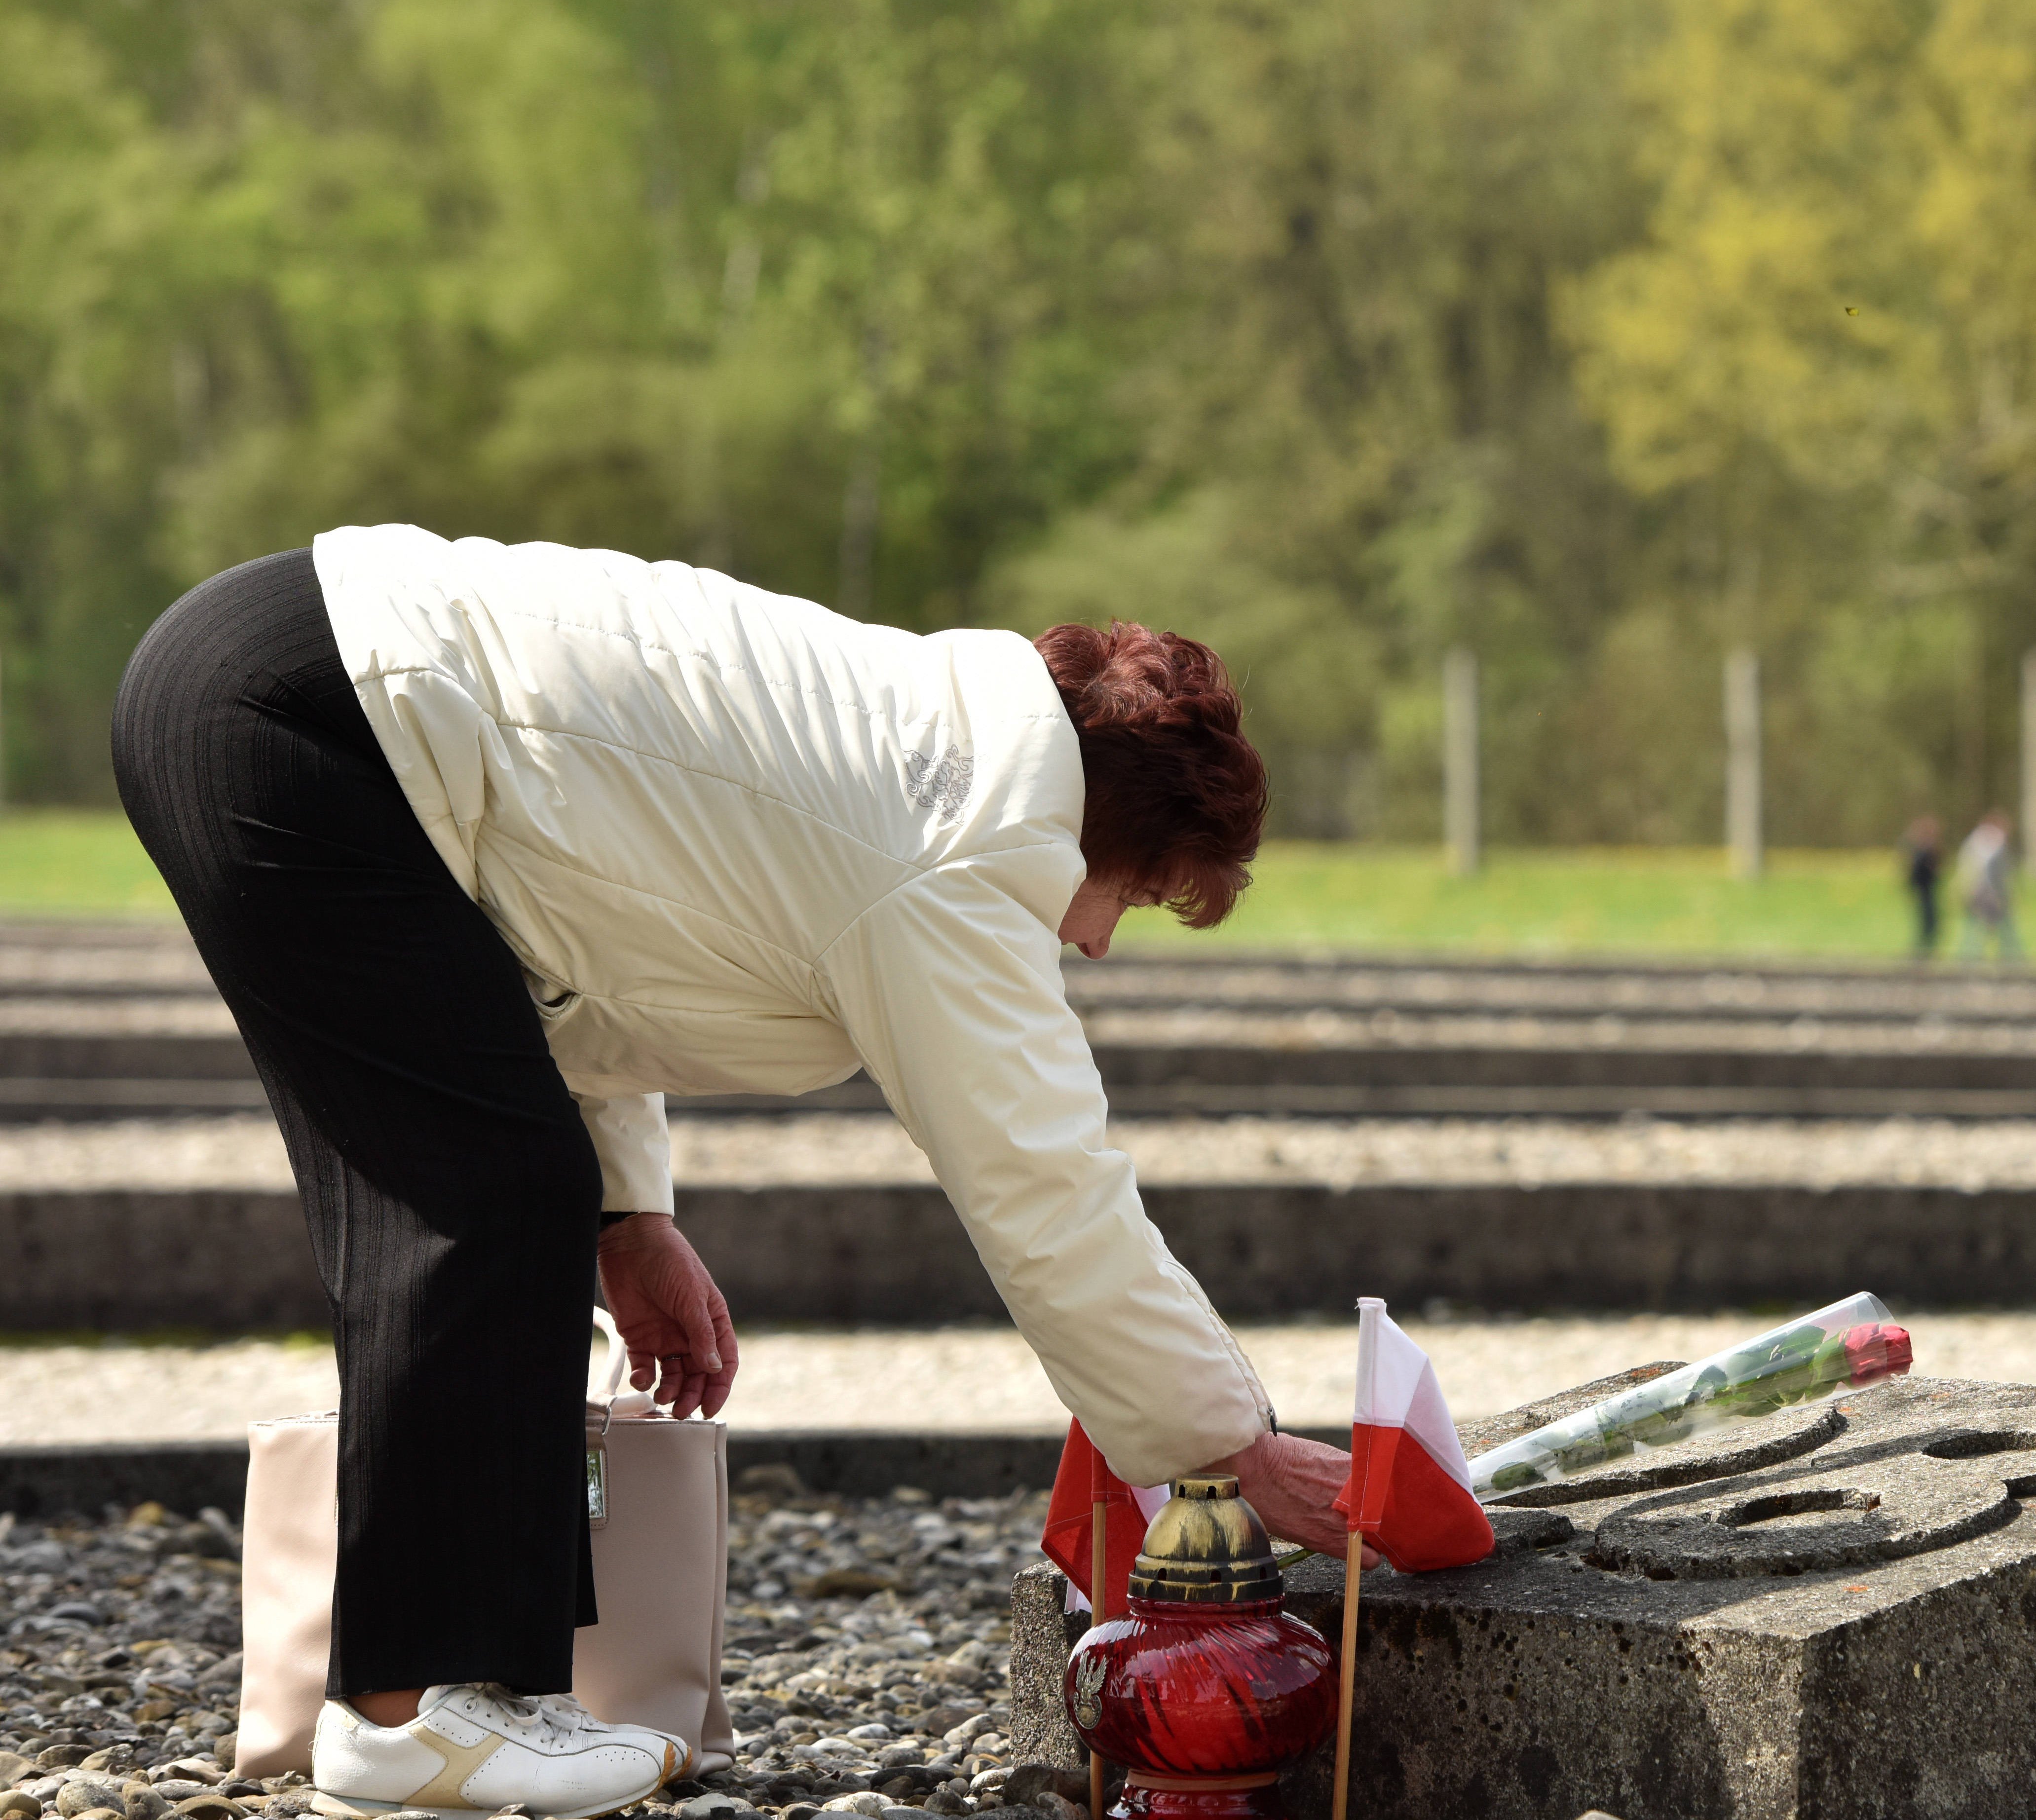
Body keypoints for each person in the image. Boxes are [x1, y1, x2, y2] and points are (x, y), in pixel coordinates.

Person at [111, 527, 1355, 1820]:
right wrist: (1230, 1443)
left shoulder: (917, 743)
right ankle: (418, 1710)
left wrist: (632, 1213)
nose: (1093, 943)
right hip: (309, 713)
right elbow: (1047, 1189)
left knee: (508, 1176)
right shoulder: (960, 841)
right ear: (1099, 819)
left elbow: (584, 943)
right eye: (1131, 897)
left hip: (283, 679)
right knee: (479, 1194)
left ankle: (452, 1699)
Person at [1956, 809, 2020, 963]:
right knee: (1995, 927)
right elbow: (1989, 872)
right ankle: (2012, 959)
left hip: (1980, 892)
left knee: (1982, 927)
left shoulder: (1976, 842)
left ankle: (1969, 958)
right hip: (1986, 893)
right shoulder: (1990, 844)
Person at [1899, 816, 1944, 958]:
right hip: (1925, 889)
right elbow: (1919, 871)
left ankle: (1925, 950)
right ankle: (1923, 951)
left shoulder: (1924, 850)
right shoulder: (1922, 850)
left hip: (1927, 889)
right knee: (1928, 920)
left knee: (1930, 921)